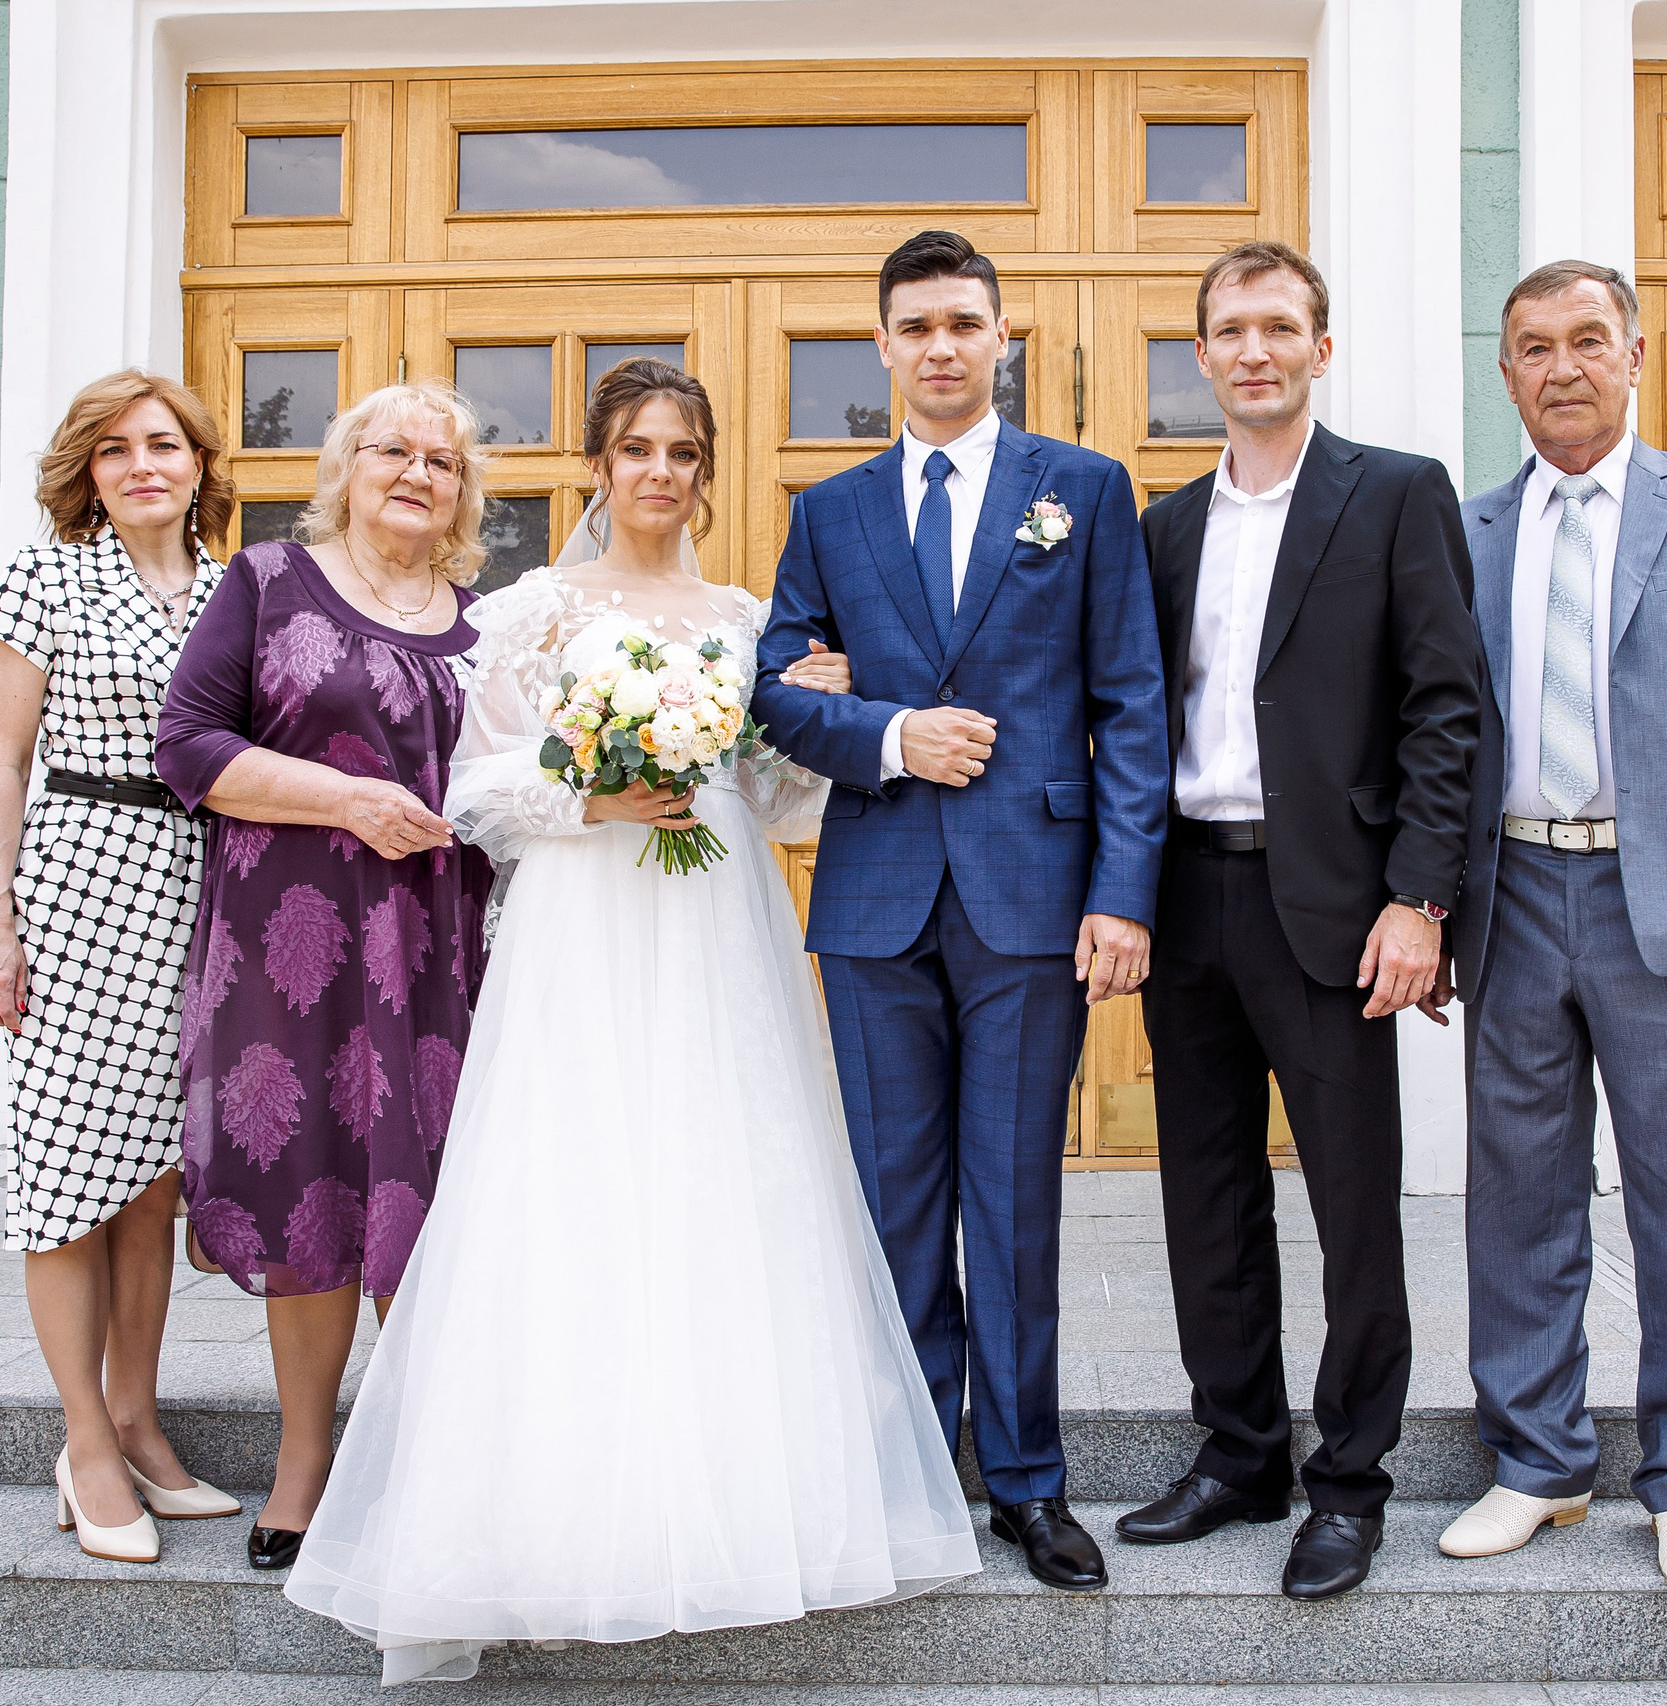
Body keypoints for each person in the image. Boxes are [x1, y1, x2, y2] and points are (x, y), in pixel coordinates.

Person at [283, 358, 976, 1682]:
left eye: (682, 451)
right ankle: (558, 1507)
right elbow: (480, 782)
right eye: (638, 448)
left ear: (704, 471)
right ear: (600, 465)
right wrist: (592, 801)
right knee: (576, 1182)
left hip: (717, 921)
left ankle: (738, 1497)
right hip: (584, 928)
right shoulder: (535, 609)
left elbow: (773, 800)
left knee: (726, 1177)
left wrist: (817, 719)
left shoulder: (742, 611)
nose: (660, 470)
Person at [754, 230, 1169, 1592]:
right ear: (881, 347)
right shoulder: (831, 511)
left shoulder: (1083, 491)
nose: (940, 346)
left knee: (1014, 1200)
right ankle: (913, 1469)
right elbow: (775, 683)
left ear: (1006, 339)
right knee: (894, 1201)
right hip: (875, 900)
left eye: (963, 323)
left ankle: (1030, 1484)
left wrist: (1122, 894)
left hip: (1031, 902)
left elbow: (1129, 702)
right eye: (915, 326)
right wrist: (889, 734)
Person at [1432, 260, 1667, 1603]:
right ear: (1506, 372)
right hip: (1516, 890)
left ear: (1638, 351)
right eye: (1532, 347)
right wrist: (1426, 905)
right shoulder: (1467, 526)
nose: (1562, 368)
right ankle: (1537, 1459)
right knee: (1518, 1192)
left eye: (1588, 339)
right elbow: (1437, 731)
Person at [1115, 242, 1480, 1599]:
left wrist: (1420, 896)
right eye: (1230, 330)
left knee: (1352, 1205)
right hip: (1187, 892)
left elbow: (1448, 708)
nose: (1255, 349)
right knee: (1203, 1195)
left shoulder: (1392, 496)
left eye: (1281, 326)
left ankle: (1351, 1478)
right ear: (1201, 357)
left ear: (1321, 349)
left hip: (1335, 905)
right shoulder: (1160, 529)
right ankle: (1239, 1453)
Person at [154, 379, 496, 1575]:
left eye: (441, 461)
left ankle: (418, 1462)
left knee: (428, 1200)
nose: (415, 471)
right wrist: (345, 797)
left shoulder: (485, 625)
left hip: (441, 951)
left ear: (463, 495)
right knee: (308, 1194)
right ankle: (304, 1462)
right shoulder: (263, 583)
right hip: (286, 941)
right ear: (345, 468)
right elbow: (189, 744)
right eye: (389, 449)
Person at [0, 369, 245, 1564]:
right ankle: (84, 1441)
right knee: (70, 1168)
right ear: (87, 471)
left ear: (198, 466)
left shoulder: (242, 590)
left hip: (207, 883)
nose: (143, 464)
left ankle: (138, 1413)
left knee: (152, 1180)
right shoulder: (42, 576)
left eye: (165, 445)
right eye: (117, 449)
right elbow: (0, 759)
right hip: (82, 880)